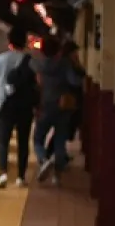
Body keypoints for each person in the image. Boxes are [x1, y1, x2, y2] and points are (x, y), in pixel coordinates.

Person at [0, 26, 39, 188]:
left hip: (5, 106)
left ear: (9, 41)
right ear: (24, 42)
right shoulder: (31, 61)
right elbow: (38, 83)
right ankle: (21, 177)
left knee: (3, 141)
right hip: (25, 107)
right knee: (23, 142)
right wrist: (38, 104)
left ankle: (2, 174)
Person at [34, 40, 83, 182]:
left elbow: (37, 84)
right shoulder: (65, 64)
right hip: (62, 106)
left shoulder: (38, 64)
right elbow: (75, 82)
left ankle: (43, 160)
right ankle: (57, 175)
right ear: (58, 50)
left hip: (44, 106)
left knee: (38, 139)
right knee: (60, 141)